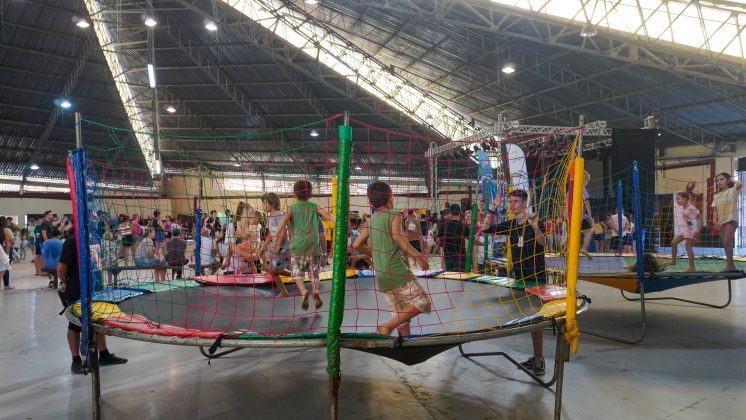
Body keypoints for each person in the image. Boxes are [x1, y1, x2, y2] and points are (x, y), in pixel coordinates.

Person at [352, 181, 431, 336]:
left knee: (401, 317)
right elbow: (398, 237)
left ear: (371, 203)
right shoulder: (395, 215)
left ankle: (405, 343)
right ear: (390, 198)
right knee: (422, 302)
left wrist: (375, 254)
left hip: (382, 276)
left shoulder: (371, 220)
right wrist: (419, 257)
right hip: (396, 271)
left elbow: (356, 244)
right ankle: (387, 326)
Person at [481, 190, 547, 375]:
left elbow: (543, 243)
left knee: (536, 319)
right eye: (510, 202)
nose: (512, 205)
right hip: (519, 278)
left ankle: (540, 359)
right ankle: (537, 356)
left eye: (516, 201)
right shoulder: (511, 225)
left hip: (536, 277)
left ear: (524, 203)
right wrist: (492, 208)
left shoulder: (534, 221)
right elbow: (486, 229)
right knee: (527, 317)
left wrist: (535, 227)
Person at [57, 233, 127, 373]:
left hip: (95, 288)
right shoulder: (72, 241)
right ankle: (76, 360)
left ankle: (104, 354)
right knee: (75, 325)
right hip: (77, 290)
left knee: (97, 320)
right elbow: (61, 268)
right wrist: (66, 283)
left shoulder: (94, 238)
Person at [273, 180, 335, 311]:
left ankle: (303, 291)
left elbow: (283, 222)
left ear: (294, 194)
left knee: (297, 272)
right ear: (310, 193)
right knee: (314, 272)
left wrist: (274, 235)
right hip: (313, 246)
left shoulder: (291, 208)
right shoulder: (314, 206)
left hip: (298, 246)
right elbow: (327, 215)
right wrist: (340, 221)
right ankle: (315, 290)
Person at [259, 193, 290, 297]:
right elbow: (270, 235)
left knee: (274, 270)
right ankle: (283, 291)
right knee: (272, 271)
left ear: (271, 203)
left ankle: (295, 275)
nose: (263, 206)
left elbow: (283, 230)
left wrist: (277, 245)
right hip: (275, 248)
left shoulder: (279, 215)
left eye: (264, 203)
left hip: (283, 247)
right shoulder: (269, 218)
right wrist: (263, 248)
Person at [712, 172, 742, 271]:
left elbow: (740, 184)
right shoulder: (716, 195)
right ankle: (730, 265)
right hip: (722, 221)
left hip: (732, 219)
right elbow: (715, 210)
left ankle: (730, 266)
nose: (719, 182)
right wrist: (715, 222)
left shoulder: (733, 190)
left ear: (728, 180)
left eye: (722, 179)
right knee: (725, 244)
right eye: (717, 180)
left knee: (727, 241)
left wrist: (732, 180)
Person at [671, 181, 699, 272]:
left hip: (691, 228)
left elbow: (699, 217)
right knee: (674, 243)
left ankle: (692, 267)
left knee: (688, 247)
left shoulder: (691, 207)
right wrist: (689, 188)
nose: (677, 200)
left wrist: (697, 229)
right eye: (676, 199)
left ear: (685, 199)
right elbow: (687, 193)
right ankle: (673, 261)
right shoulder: (684, 206)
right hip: (685, 228)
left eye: (678, 199)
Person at [437, 204, 469, 272]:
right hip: (460, 257)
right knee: (460, 277)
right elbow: (472, 240)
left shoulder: (444, 225)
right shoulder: (463, 226)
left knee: (450, 276)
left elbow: (438, 238)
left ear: (450, 213)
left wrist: (442, 245)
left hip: (448, 256)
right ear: (460, 213)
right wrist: (482, 244)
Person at [1, 217, 14, 290]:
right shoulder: (7, 230)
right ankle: (6, 285)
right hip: (5, 250)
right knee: (5, 267)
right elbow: (11, 241)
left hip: (1, 249)